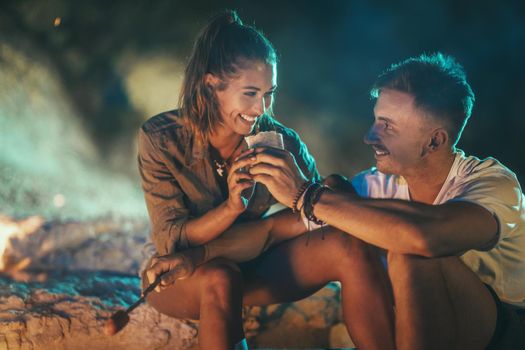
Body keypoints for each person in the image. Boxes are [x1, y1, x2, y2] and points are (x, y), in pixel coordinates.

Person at [149, 52, 525, 349]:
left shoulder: (492, 185)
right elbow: (269, 233)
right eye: (376, 120)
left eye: (388, 127)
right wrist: (195, 257)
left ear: (435, 141)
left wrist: (306, 194)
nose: (369, 136)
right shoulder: (375, 186)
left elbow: (425, 237)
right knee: (360, 232)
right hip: (429, 330)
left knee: (409, 250)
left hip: (501, 331)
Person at [139, 10, 395, 350]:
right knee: (221, 276)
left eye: (269, 93)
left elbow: (321, 216)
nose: (262, 108)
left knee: (348, 244)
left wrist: (302, 193)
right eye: (250, 93)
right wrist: (231, 208)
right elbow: (173, 242)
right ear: (211, 83)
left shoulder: (278, 141)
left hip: (253, 264)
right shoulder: (162, 139)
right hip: (183, 276)